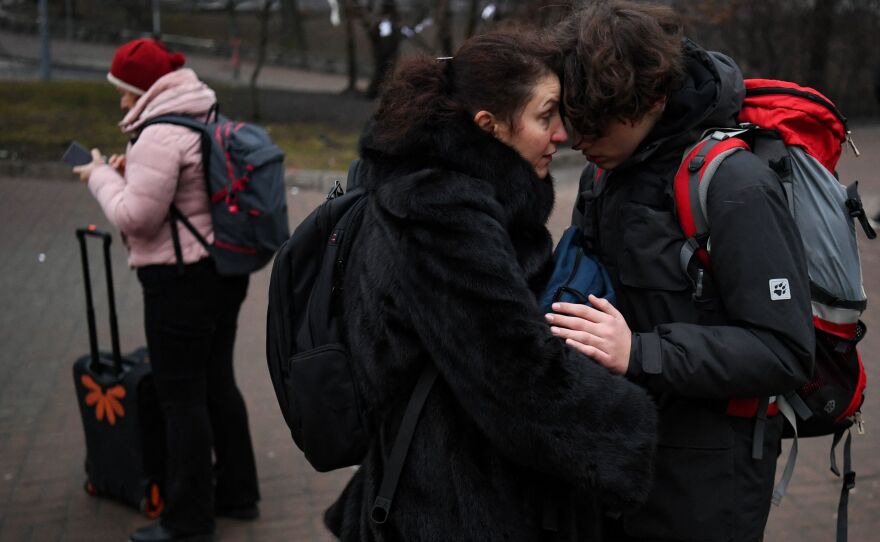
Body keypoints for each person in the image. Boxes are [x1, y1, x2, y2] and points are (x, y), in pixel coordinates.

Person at [323, 30, 658, 541]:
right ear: (491, 126)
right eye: (545, 116)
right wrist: (628, 427)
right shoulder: (441, 211)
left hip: (449, 477)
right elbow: (511, 372)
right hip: (452, 502)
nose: (561, 134)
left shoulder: (446, 186)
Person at [548, 2, 815, 541]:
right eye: (572, 122)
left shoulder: (735, 186)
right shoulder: (604, 175)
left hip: (707, 479)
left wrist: (641, 352)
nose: (578, 141)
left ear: (649, 100)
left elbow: (784, 351)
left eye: (593, 124)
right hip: (621, 459)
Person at [73, 38, 260, 542]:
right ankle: (239, 494)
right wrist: (129, 172)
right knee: (217, 381)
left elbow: (136, 218)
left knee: (182, 400)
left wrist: (96, 178)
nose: (121, 103)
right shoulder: (201, 109)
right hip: (223, 269)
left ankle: (188, 521)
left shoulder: (158, 135)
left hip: (179, 281)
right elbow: (188, 187)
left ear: (144, 89)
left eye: (124, 92)